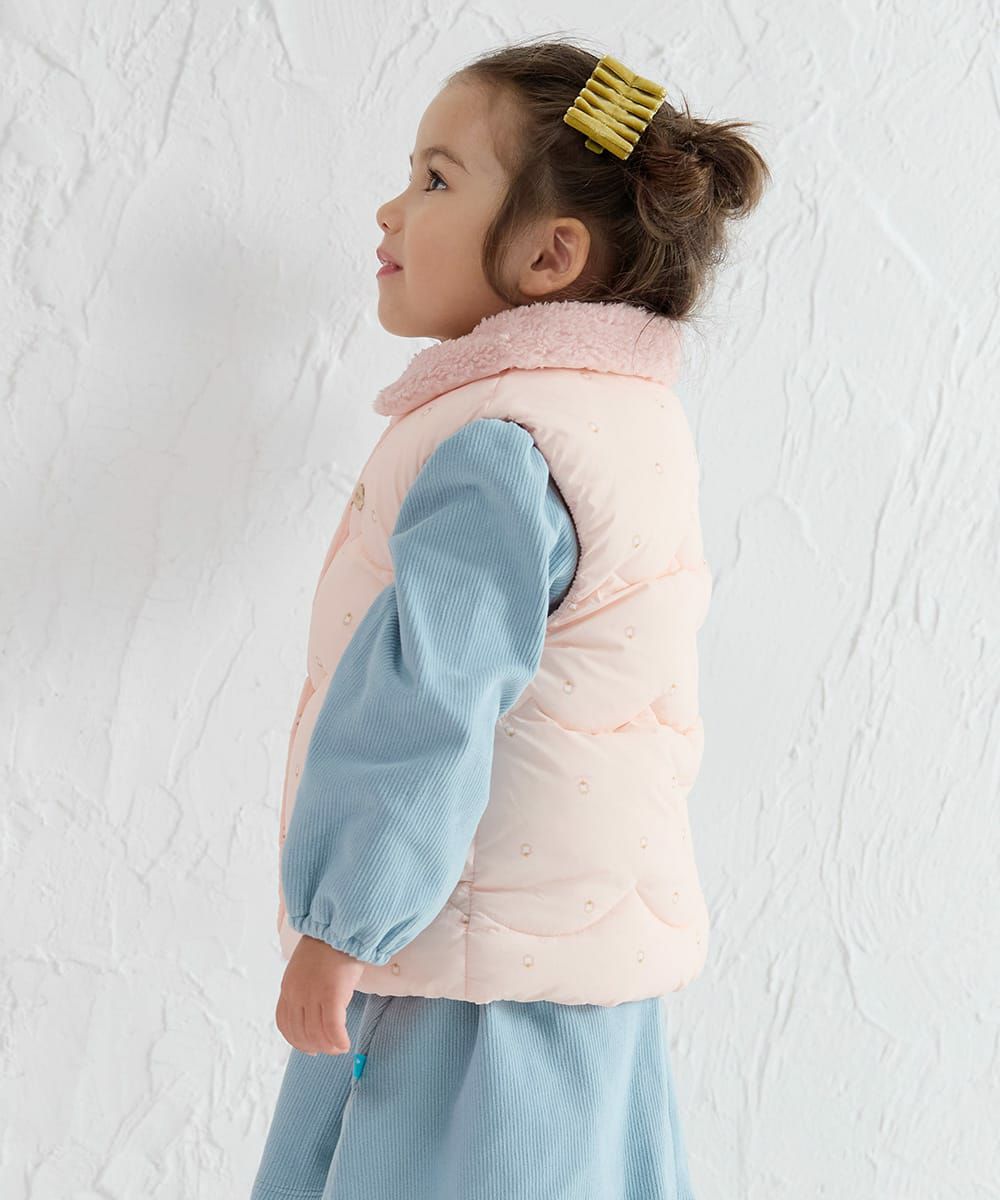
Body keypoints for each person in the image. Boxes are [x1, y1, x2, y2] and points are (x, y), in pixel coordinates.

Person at [250, 36, 770, 1200]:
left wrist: (342, 925)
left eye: (435, 178)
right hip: (578, 972)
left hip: (462, 986)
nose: (390, 207)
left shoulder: (497, 447)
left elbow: (427, 701)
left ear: (548, 255)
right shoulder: (624, 419)